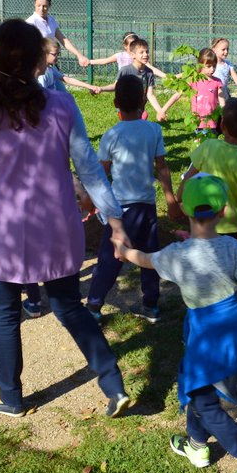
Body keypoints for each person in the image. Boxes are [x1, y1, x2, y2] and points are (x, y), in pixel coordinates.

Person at [0, 18, 132, 419]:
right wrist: (114, 220)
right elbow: (88, 168)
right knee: (69, 307)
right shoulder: (62, 105)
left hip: (5, 233)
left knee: (4, 316)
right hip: (57, 228)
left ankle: (10, 396)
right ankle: (112, 383)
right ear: (38, 62)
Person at [114, 174, 237, 473]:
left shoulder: (176, 255)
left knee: (203, 401)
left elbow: (145, 259)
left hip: (206, 337)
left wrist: (122, 250)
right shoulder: (233, 248)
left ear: (184, 210)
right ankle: (196, 445)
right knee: (198, 388)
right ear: (223, 211)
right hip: (233, 329)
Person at [85, 74, 180, 324]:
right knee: (149, 254)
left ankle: (93, 305)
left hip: (119, 210)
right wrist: (170, 200)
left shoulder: (111, 135)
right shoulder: (153, 130)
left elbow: (101, 173)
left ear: (115, 103)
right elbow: (162, 167)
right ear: (142, 102)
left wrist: (92, 202)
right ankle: (151, 304)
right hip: (146, 206)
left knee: (110, 257)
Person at [178, 98, 237, 309]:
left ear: (221, 124)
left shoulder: (208, 146)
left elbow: (189, 175)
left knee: (206, 269)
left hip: (205, 222)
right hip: (232, 226)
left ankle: (206, 308)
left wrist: (178, 198)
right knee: (236, 273)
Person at [99, 38, 167, 121]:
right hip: (126, 109)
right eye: (141, 52)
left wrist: (160, 111)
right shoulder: (125, 70)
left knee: (139, 122)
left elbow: (150, 95)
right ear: (132, 55)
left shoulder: (149, 73)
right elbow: (116, 86)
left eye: (147, 52)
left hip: (140, 107)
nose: (145, 54)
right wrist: (101, 88)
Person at [161, 47, 223, 131]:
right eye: (208, 66)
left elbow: (222, 101)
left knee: (211, 139)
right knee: (199, 139)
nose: (212, 69)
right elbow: (177, 95)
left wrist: (225, 116)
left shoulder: (217, 82)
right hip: (197, 121)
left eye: (214, 66)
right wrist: (163, 110)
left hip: (213, 122)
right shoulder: (193, 80)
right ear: (200, 64)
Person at [25, 0, 90, 67]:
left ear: (49, 5)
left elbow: (63, 40)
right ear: (34, 4)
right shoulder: (30, 22)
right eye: (38, 5)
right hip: (36, 65)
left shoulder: (51, 20)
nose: (41, 9)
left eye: (45, 6)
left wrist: (79, 55)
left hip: (50, 64)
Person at [37, 38, 102, 94]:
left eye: (58, 54)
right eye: (54, 54)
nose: (57, 57)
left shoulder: (50, 69)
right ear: (43, 54)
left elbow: (68, 79)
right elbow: (40, 94)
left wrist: (90, 86)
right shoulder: (42, 75)